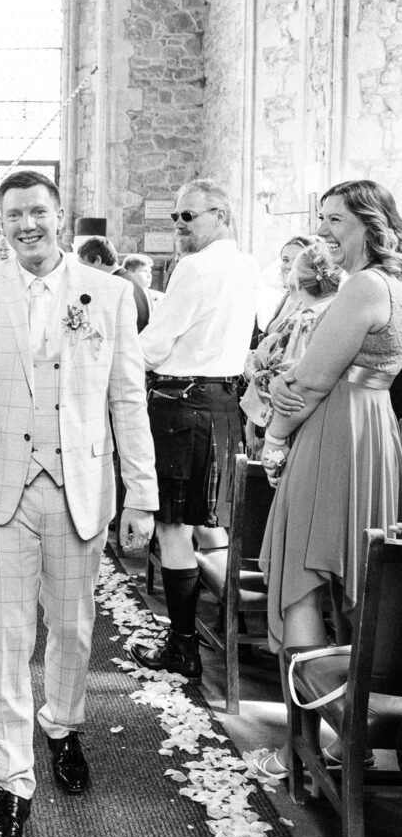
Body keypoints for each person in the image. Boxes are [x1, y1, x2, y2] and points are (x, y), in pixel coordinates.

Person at [0, 169, 157, 837]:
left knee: (73, 630)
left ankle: (63, 724)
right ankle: (12, 781)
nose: (27, 225)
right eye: (13, 214)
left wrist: (142, 493)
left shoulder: (107, 295)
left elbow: (126, 400)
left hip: (78, 484)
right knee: (7, 636)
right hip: (1, 488)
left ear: (60, 216)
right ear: (1, 225)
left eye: (37, 212)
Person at [255, 180, 402, 780]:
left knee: (303, 578)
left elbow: (312, 382)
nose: (326, 236)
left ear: (370, 224)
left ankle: (304, 748)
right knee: (359, 588)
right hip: (370, 429)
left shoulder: (367, 284)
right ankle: (349, 736)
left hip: (332, 433)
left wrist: (273, 434)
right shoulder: (390, 284)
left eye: (336, 222)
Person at [129, 178, 258, 683]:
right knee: (213, 523)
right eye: (176, 217)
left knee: (173, 526)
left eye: (189, 216)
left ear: (221, 213)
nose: (179, 226)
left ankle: (183, 646)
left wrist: (110, 358)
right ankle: (231, 630)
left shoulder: (196, 267)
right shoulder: (245, 265)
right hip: (223, 406)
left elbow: (155, 344)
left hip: (182, 408)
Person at [240, 239, 343, 452]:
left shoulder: (303, 319)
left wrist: (250, 371)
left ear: (299, 279)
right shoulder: (337, 309)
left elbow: (288, 382)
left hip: (291, 425)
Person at [77, 234, 150, 332]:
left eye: (85, 266)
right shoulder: (130, 280)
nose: (83, 274)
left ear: (97, 260)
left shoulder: (113, 287)